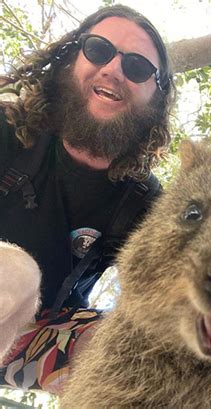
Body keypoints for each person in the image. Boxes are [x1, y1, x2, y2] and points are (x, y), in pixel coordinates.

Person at [0, 4, 174, 394]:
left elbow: (164, 302)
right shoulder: (6, 130)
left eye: (138, 68)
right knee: (15, 273)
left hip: (39, 340)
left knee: (143, 357)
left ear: (157, 97)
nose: (113, 68)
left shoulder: (145, 201)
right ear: (69, 59)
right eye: (98, 50)